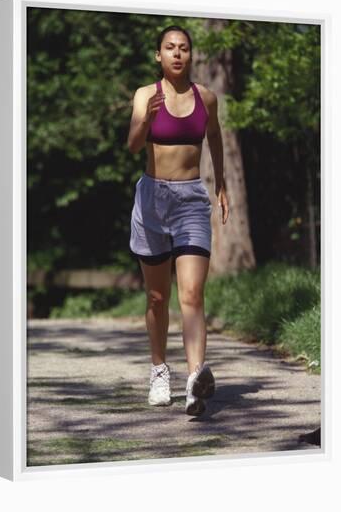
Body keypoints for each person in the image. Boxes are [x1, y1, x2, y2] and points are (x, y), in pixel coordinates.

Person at [127, 25, 229, 416]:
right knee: (157, 297)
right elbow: (133, 145)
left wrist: (220, 183)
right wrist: (145, 120)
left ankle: (194, 382)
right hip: (152, 200)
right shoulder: (145, 96)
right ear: (159, 55)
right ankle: (158, 371)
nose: (176, 54)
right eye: (169, 48)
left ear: (191, 55)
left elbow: (215, 137)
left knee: (192, 294)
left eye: (183, 48)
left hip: (190, 201)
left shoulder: (206, 97)